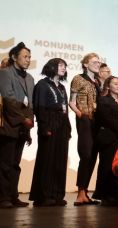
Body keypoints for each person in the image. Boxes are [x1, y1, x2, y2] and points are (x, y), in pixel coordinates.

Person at [29, 58, 71, 206]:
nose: (63, 68)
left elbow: (65, 109)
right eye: (60, 65)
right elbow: (39, 107)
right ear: (51, 67)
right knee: (47, 160)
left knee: (60, 160)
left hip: (62, 125)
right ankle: (43, 195)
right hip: (49, 124)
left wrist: (68, 128)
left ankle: (57, 194)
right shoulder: (42, 85)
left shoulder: (62, 87)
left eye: (65, 66)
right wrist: (44, 127)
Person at [0, 42, 34, 208]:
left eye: (29, 57)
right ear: (14, 57)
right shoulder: (6, 73)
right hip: (9, 124)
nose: (28, 60)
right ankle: (3, 197)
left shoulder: (30, 78)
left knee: (15, 164)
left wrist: (29, 124)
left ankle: (13, 196)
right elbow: (8, 99)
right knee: (5, 163)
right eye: (25, 57)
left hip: (23, 127)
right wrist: (22, 119)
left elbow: (30, 104)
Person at [92, 76, 118, 206]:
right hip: (109, 137)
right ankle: (106, 195)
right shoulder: (103, 100)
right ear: (108, 86)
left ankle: (117, 194)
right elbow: (107, 119)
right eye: (115, 84)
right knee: (107, 166)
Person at [69, 53, 101, 206]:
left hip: (96, 121)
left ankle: (85, 193)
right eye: (94, 61)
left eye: (99, 62)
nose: (98, 64)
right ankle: (80, 193)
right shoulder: (78, 78)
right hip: (85, 119)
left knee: (93, 156)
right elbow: (71, 101)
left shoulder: (97, 82)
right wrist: (80, 114)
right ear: (86, 64)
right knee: (86, 154)